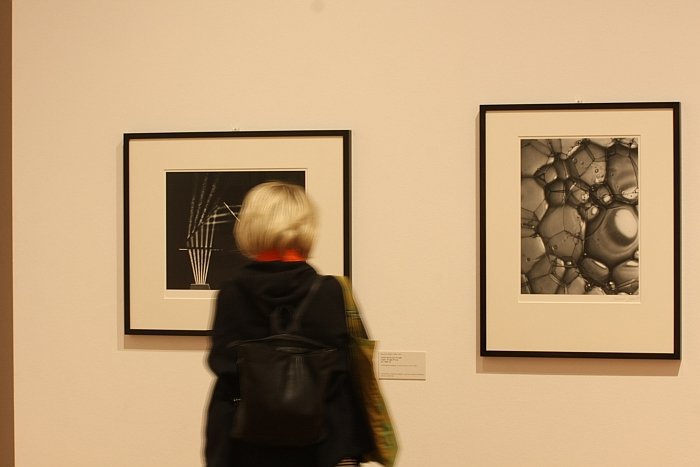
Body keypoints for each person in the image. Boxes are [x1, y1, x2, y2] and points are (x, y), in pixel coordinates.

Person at [205, 181, 373, 467]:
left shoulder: (232, 293)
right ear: (305, 227)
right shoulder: (330, 291)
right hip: (322, 445)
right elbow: (345, 371)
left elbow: (223, 366)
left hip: (244, 445)